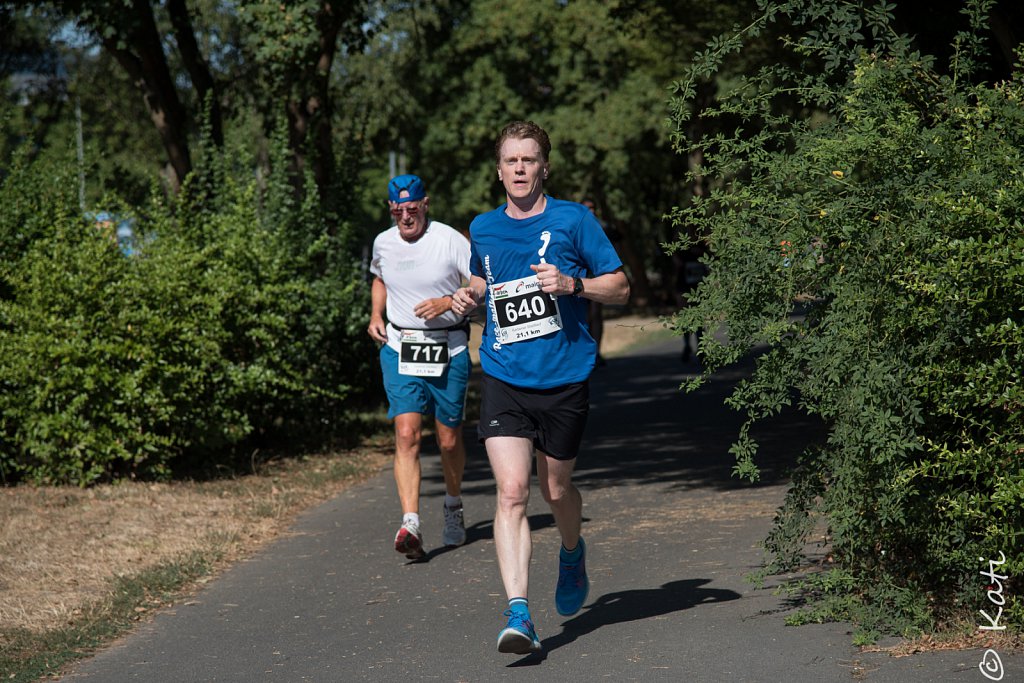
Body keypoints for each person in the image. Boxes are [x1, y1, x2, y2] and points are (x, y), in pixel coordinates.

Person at [451, 121, 630, 654]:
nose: (521, 169)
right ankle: (520, 613)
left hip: (565, 379)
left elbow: (620, 288)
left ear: (544, 167)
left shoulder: (575, 220)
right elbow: (488, 282)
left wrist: (573, 284)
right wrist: (470, 298)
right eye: (512, 161)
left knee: (555, 491)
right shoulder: (482, 227)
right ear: (499, 170)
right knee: (511, 492)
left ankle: (572, 550)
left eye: (529, 160)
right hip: (505, 375)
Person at [368, 173, 472, 560]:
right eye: (398, 211)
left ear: (425, 204)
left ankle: (453, 502)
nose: (406, 217)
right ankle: (410, 521)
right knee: (407, 433)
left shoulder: (448, 239)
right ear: (391, 210)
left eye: (412, 209)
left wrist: (447, 302)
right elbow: (379, 277)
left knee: (447, 439)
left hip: (449, 346)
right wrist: (375, 313)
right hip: (400, 346)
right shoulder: (384, 242)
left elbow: (477, 283)